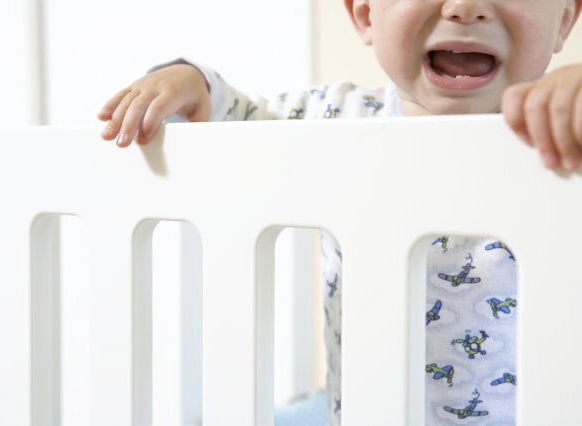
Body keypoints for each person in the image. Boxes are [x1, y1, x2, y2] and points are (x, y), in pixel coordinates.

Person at [98, 1, 582, 424]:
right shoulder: (338, 121)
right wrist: (188, 77)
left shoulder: (567, 132)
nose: (466, 6)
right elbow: (231, 118)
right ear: (365, 13)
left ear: (564, 21)